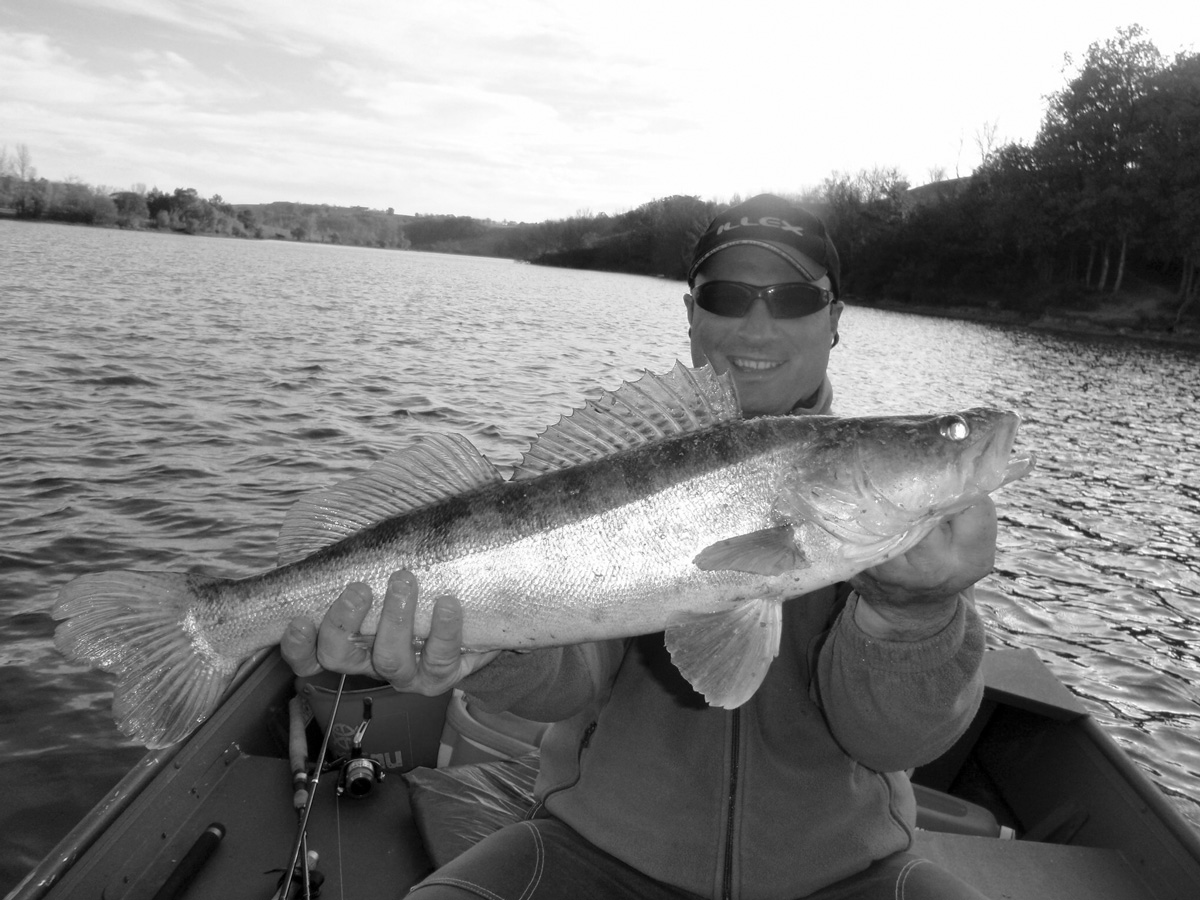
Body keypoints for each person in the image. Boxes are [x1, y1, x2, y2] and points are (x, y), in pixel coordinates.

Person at [283, 194, 997, 900]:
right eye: (726, 294)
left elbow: (892, 745)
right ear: (691, 313)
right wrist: (490, 650)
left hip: (848, 872)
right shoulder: (621, 461)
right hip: (594, 850)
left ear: (834, 320)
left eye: (790, 297)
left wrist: (911, 614)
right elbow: (573, 677)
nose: (756, 324)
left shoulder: (895, 537)